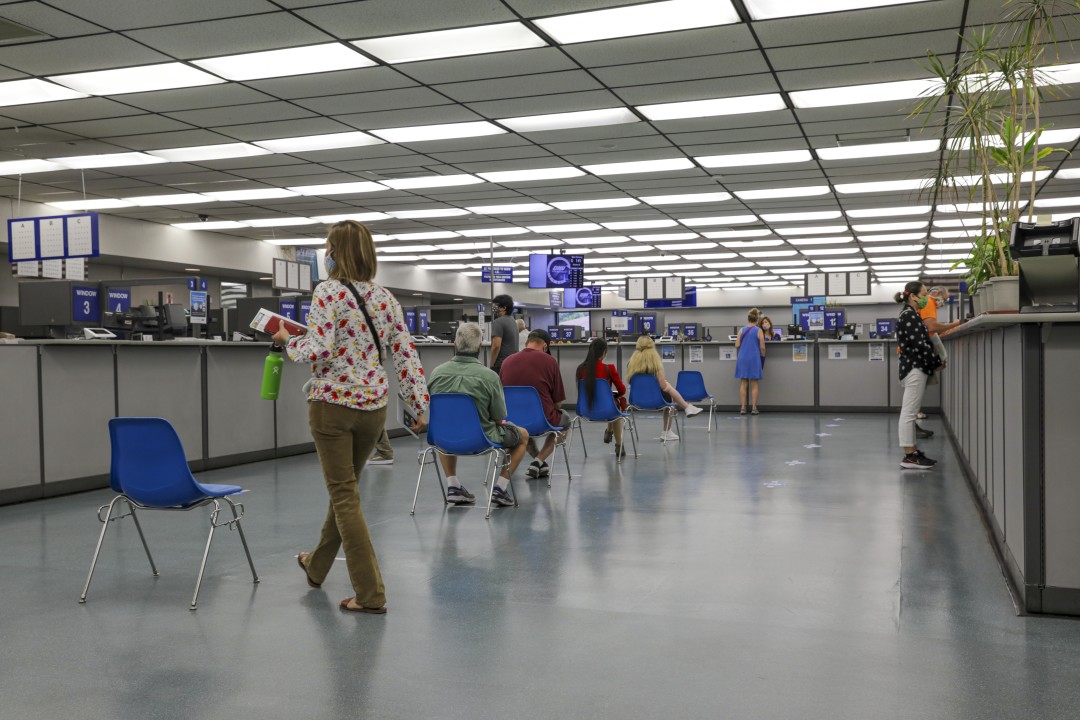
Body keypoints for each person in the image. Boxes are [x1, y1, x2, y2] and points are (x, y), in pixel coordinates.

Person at [273, 220, 429, 615]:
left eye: (328, 246)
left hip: (333, 407)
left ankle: (370, 593)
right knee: (346, 491)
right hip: (373, 410)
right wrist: (418, 406)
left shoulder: (327, 291)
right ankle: (316, 565)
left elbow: (319, 347)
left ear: (336, 253)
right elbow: (407, 356)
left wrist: (288, 342)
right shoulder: (386, 299)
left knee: (344, 495)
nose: (325, 253)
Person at [427, 322, 529, 506]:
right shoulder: (489, 376)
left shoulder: (436, 373)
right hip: (481, 439)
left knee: (448, 425)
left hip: (443, 439)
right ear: (480, 347)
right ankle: (500, 488)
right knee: (522, 435)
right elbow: (499, 418)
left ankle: (453, 485)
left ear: (455, 345)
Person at [499, 329, 569, 478]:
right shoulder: (550, 361)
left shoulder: (506, 361)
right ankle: (538, 461)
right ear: (545, 346)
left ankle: (538, 462)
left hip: (512, 421)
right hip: (540, 421)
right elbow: (558, 404)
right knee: (565, 422)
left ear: (526, 343)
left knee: (524, 427)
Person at [895, 281, 944, 469]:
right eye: (923, 295)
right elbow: (920, 345)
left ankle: (913, 451)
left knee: (910, 412)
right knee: (909, 413)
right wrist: (936, 362)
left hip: (915, 367)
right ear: (913, 296)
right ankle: (909, 455)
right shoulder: (909, 316)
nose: (927, 298)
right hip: (914, 368)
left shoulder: (912, 314)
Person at [625, 335, 703, 442]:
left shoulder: (631, 363)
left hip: (636, 400)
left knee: (667, 389)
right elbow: (662, 386)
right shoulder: (654, 364)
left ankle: (687, 408)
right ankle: (668, 430)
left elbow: (629, 381)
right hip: (655, 400)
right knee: (668, 391)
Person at [912, 286, 965, 435]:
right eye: (945, 298)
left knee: (918, 390)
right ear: (938, 294)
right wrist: (954, 324)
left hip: (921, 351)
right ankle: (912, 429)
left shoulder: (928, 303)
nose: (944, 302)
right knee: (916, 391)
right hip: (919, 353)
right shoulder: (929, 302)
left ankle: (914, 426)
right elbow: (931, 326)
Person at [575, 337, 628, 457]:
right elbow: (622, 390)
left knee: (612, 404)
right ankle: (619, 445)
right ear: (604, 353)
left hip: (585, 410)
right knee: (616, 407)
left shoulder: (580, 369)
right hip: (606, 409)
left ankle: (609, 431)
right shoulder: (609, 368)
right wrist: (613, 395)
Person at [735, 307, 766, 415]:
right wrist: (763, 357)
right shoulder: (759, 330)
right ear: (757, 319)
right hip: (754, 358)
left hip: (743, 357)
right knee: (754, 383)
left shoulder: (741, 330)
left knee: (743, 383)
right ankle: (754, 408)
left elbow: (737, 344)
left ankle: (743, 408)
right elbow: (762, 347)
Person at [488, 294, 518, 373]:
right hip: (513, 362)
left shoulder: (498, 322)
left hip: (501, 364)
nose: (494, 308)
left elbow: (496, 346)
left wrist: (491, 364)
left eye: (496, 305)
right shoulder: (513, 321)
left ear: (504, 307)